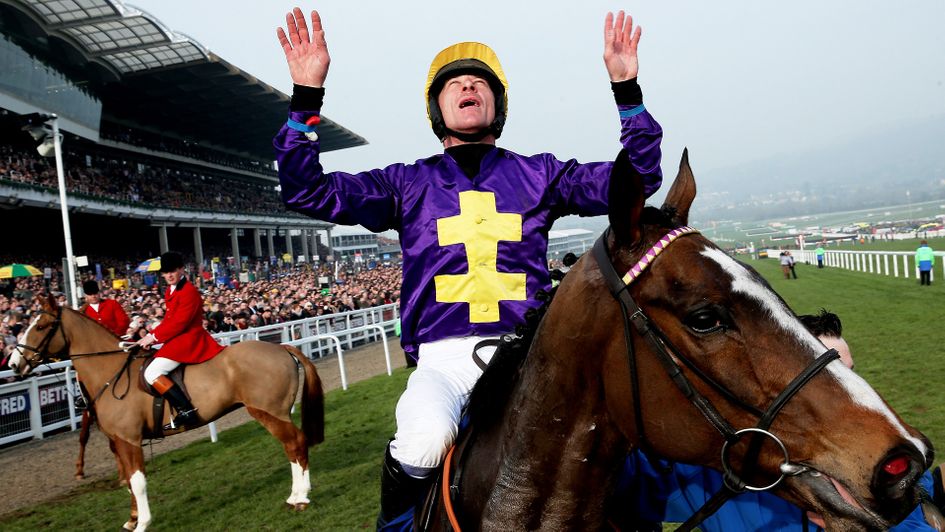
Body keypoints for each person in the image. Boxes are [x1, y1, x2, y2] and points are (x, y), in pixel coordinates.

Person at [273, 8, 663, 529]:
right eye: (454, 85)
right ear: (437, 108)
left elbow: (636, 179)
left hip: (534, 353)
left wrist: (626, 87)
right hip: (445, 362)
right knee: (422, 440)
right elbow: (307, 191)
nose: (467, 88)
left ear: (496, 104)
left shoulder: (539, 174)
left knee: (619, 436)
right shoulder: (404, 183)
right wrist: (305, 98)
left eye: (479, 83)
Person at [611, 309, 941, 532]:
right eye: (831, 379)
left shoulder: (878, 463)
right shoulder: (713, 467)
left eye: (849, 375)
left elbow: (922, 508)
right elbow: (611, 482)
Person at [135, 252, 224, 431]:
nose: (169, 275)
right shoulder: (170, 290)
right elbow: (169, 321)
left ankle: (187, 411)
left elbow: (179, 323)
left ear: (181, 270)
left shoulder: (188, 291)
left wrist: (153, 337)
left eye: (172, 271)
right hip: (178, 338)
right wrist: (150, 336)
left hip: (188, 339)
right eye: (166, 272)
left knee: (151, 372)